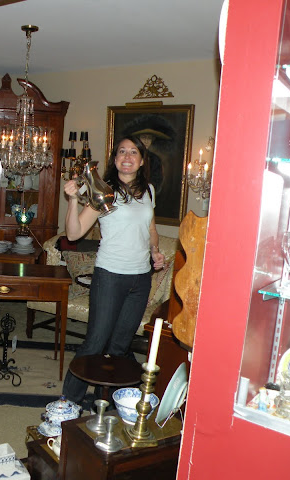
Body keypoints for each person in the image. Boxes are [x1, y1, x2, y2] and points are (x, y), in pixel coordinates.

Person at [61, 135, 165, 404]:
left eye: (133, 152)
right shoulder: (103, 191)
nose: (127, 157)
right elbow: (73, 233)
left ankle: (105, 397)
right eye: (122, 152)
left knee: (120, 345)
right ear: (115, 159)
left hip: (140, 279)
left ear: (141, 161)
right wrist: (72, 200)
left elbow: (151, 229)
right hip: (109, 276)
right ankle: (68, 402)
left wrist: (155, 250)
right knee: (95, 342)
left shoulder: (149, 191)